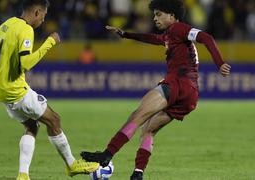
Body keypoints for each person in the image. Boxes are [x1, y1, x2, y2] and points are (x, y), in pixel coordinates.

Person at [80, 0, 231, 179]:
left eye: (159, 14)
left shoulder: (178, 28)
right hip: (190, 95)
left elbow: (206, 38)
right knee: (148, 130)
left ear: (172, 16)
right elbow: (152, 38)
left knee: (137, 116)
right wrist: (125, 34)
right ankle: (138, 173)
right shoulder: (170, 35)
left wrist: (219, 63)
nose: (155, 18)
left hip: (178, 84)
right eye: (154, 15)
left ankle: (107, 154)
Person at [0, 0, 99, 180]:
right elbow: (26, 63)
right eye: (43, 16)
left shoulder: (6, 24)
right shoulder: (26, 29)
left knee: (32, 125)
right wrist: (49, 43)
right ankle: (72, 165)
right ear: (36, 12)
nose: (43, 21)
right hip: (16, 91)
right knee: (54, 120)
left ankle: (23, 175)